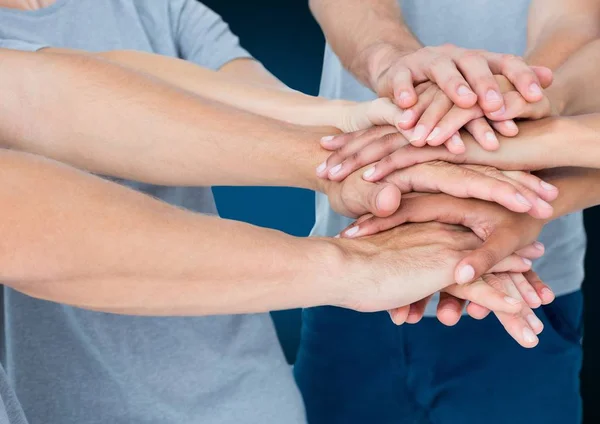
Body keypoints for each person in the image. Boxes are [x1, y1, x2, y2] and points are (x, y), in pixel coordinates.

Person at [0, 1, 554, 422]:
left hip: (248, 395)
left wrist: (353, 141)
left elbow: (48, 91)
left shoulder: (153, 8)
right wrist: (351, 263)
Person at [295, 0, 600, 423]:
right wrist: (406, 74)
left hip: (522, 274)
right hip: (358, 259)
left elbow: (574, 17)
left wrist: (512, 101)